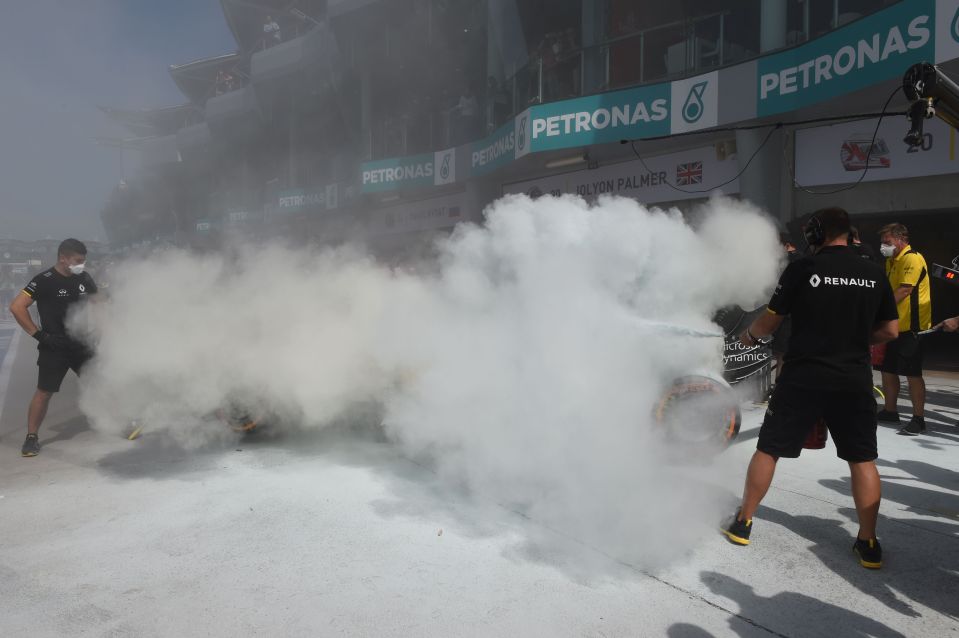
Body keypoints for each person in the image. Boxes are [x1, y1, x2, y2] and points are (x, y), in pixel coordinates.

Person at [722, 208, 898, 569]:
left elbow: (771, 319)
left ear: (816, 234)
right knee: (862, 459)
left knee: (769, 449)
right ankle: (868, 543)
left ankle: (743, 522)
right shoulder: (872, 271)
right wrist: (853, 340)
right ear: (849, 234)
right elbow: (890, 331)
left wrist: (750, 335)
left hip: (803, 376)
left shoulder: (804, 268)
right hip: (853, 378)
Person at [8, 239, 97, 457]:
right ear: (63, 258)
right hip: (54, 346)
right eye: (77, 261)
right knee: (44, 392)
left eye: (83, 261)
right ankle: (31, 438)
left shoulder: (84, 278)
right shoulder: (43, 280)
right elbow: (17, 307)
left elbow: (99, 303)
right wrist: (39, 335)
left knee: (100, 383)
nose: (81, 265)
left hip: (82, 344)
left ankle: (119, 422)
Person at [876, 223, 932, 436]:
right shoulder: (891, 261)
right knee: (888, 369)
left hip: (912, 326)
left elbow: (905, 290)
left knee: (912, 373)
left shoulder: (912, 258)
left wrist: (879, 308)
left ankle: (919, 419)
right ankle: (890, 411)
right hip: (894, 324)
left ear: (901, 240)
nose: (884, 246)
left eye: (887, 242)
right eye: (882, 242)